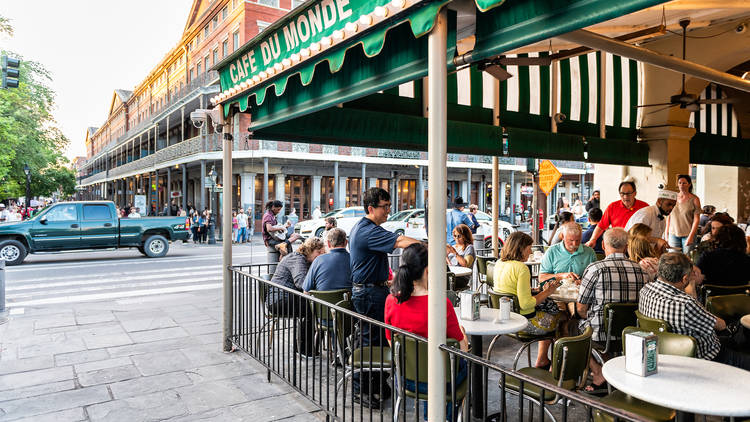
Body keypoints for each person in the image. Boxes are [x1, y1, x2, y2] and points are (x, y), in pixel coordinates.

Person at [349, 187, 420, 408]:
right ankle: (361, 389)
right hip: (369, 293)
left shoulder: (366, 227)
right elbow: (399, 242)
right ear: (371, 208)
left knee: (377, 338)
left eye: (389, 206)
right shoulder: (368, 230)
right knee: (370, 340)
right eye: (385, 207)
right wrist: (427, 246)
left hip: (373, 289)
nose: (388, 211)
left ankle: (378, 384)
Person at [384, 242, 468, 420]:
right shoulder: (441, 304)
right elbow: (462, 349)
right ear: (428, 268)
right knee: (464, 364)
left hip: (406, 378)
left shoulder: (391, 301)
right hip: (441, 381)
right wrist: (463, 332)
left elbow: (391, 340)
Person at [639, 253, 750, 370]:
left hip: (664, 353)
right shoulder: (685, 303)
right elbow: (720, 325)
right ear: (684, 278)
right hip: (702, 358)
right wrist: (691, 284)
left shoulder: (645, 290)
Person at [576, 228, 649, 389]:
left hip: (601, 334)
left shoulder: (595, 269)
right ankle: (613, 372)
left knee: (570, 327)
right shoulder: (642, 271)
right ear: (626, 246)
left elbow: (581, 308)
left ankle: (598, 372)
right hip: (631, 334)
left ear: (603, 245)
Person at [493, 232, 562, 368]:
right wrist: (548, 292)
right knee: (563, 319)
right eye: (529, 248)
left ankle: (544, 359)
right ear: (520, 248)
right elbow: (526, 304)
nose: (530, 252)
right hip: (524, 322)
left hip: (505, 317)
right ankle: (556, 367)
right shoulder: (521, 268)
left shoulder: (499, 263)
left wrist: (536, 291)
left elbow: (510, 291)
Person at [266, 237, 326, 357]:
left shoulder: (303, 259)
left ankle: (304, 347)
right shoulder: (298, 259)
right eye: (318, 253)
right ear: (310, 250)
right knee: (312, 308)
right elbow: (301, 283)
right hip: (280, 300)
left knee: (313, 307)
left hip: (285, 297)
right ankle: (304, 349)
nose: (320, 256)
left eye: (323, 253)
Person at [585, 180, 648, 248]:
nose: (625, 197)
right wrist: (593, 240)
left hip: (637, 247)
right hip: (619, 246)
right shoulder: (612, 207)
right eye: (622, 194)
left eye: (629, 193)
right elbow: (601, 226)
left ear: (635, 193)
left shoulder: (644, 208)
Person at [624, 187, 677, 252]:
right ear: (659, 201)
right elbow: (635, 236)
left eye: (673, 205)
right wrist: (657, 240)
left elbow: (654, 244)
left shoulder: (663, 221)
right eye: (669, 204)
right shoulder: (646, 213)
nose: (671, 208)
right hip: (632, 252)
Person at [303, 228, 353, 292]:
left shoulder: (318, 260)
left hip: (321, 301)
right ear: (346, 242)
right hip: (348, 301)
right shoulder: (354, 260)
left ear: (328, 244)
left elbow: (306, 291)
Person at [666, 175, 702, 253]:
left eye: (684, 183)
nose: (681, 185)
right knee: (673, 258)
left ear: (689, 184)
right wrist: (666, 233)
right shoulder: (673, 197)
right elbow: (669, 216)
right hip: (673, 233)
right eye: (680, 183)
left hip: (688, 234)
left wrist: (691, 236)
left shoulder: (695, 199)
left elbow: (697, 219)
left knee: (686, 259)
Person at [446, 223, 475, 290]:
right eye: (455, 236)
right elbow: (449, 264)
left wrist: (455, 253)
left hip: (461, 278)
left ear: (465, 236)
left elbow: (466, 264)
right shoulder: (453, 246)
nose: (456, 238)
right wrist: (446, 256)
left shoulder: (469, 248)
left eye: (459, 236)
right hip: (451, 275)